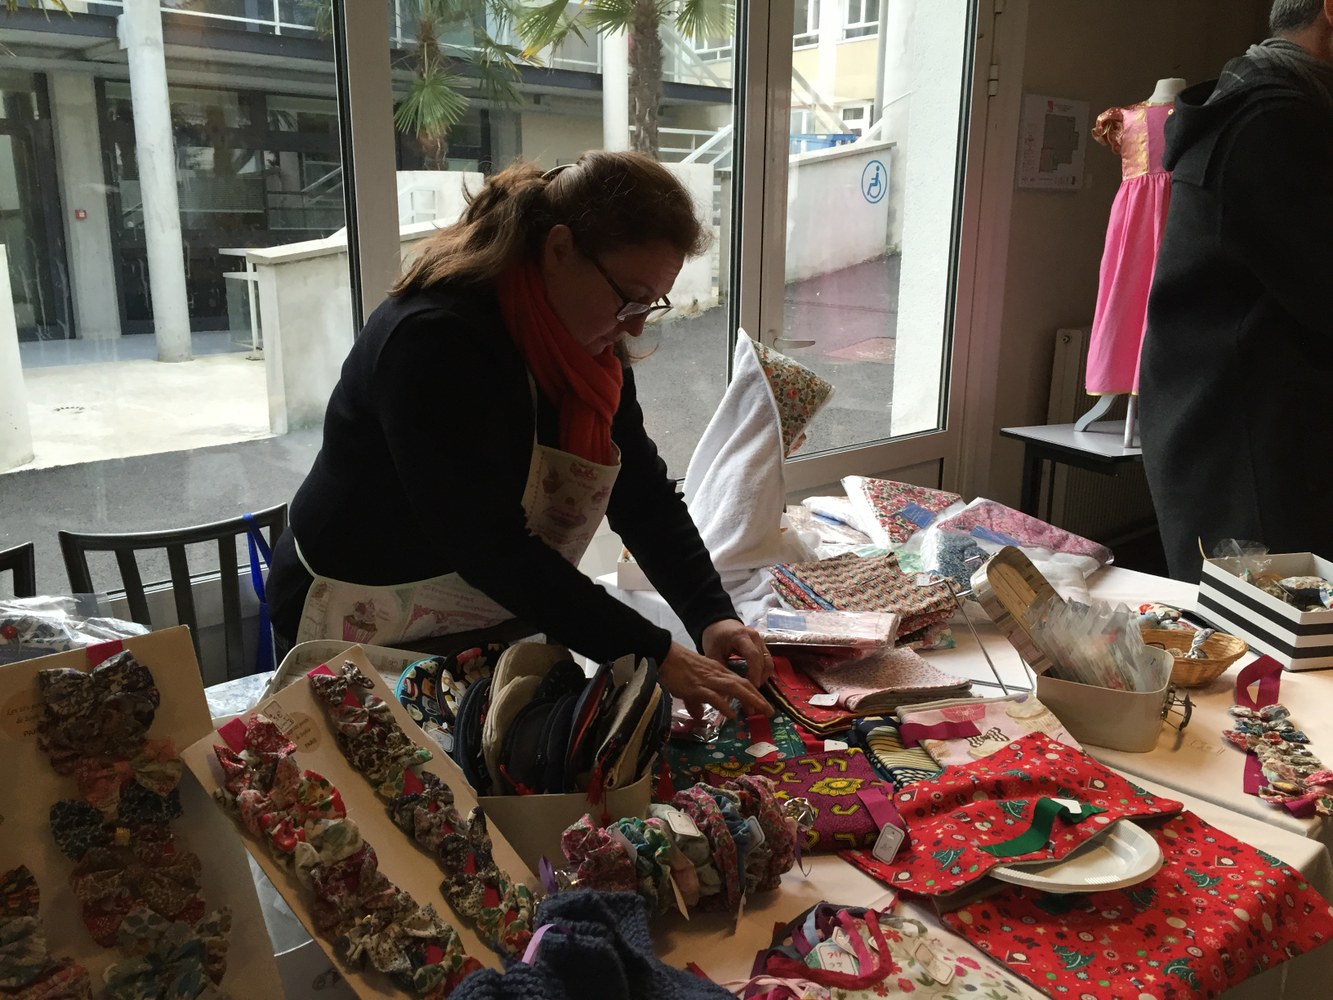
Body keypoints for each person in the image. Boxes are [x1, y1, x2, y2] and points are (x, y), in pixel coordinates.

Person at [265, 150, 772, 718]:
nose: (634, 325)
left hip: (492, 605)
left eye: (650, 304)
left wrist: (710, 614)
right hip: (360, 612)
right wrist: (653, 651)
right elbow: (491, 546)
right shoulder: (433, 341)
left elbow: (641, 495)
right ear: (559, 249)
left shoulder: (591, 350)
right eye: (627, 297)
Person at [1139, 0, 1333, 582]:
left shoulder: (1270, 104)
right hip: (1251, 447)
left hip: (1243, 426)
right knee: (1265, 627)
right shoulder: (1272, 121)